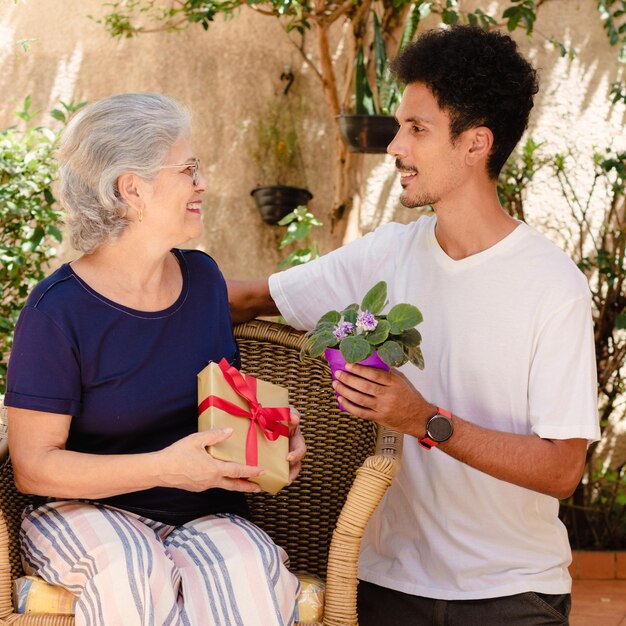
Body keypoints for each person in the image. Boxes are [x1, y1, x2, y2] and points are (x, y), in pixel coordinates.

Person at [228, 26, 600, 625]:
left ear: (476, 143)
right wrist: (107, 288)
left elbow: (562, 470)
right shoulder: (388, 254)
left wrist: (423, 420)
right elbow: (247, 298)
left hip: (511, 597)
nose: (395, 145)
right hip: (384, 586)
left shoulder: (552, 285)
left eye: (417, 129)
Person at [4, 93, 305, 626]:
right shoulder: (58, 311)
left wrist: (273, 441)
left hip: (205, 511)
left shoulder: (204, 280)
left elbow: (229, 397)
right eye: (188, 169)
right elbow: (33, 467)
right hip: (86, 511)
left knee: (248, 573)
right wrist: (167, 468)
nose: (202, 183)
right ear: (131, 189)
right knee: (133, 571)